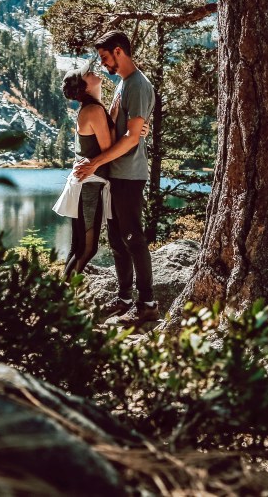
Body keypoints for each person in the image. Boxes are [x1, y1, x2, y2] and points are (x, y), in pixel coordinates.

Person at [73, 30, 158, 325]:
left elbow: (132, 138)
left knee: (134, 238)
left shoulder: (138, 85)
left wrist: (95, 163)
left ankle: (146, 303)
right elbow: (117, 129)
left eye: (105, 57)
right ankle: (124, 299)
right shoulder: (123, 84)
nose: (104, 64)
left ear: (119, 51)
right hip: (114, 176)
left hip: (129, 175)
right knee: (118, 241)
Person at [54, 62, 115, 279]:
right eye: (87, 74)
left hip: (83, 182)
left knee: (77, 245)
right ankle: (63, 300)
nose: (92, 72)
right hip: (88, 184)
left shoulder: (91, 109)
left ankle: (60, 297)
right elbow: (109, 148)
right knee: (88, 248)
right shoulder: (94, 110)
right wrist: (135, 134)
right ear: (84, 87)